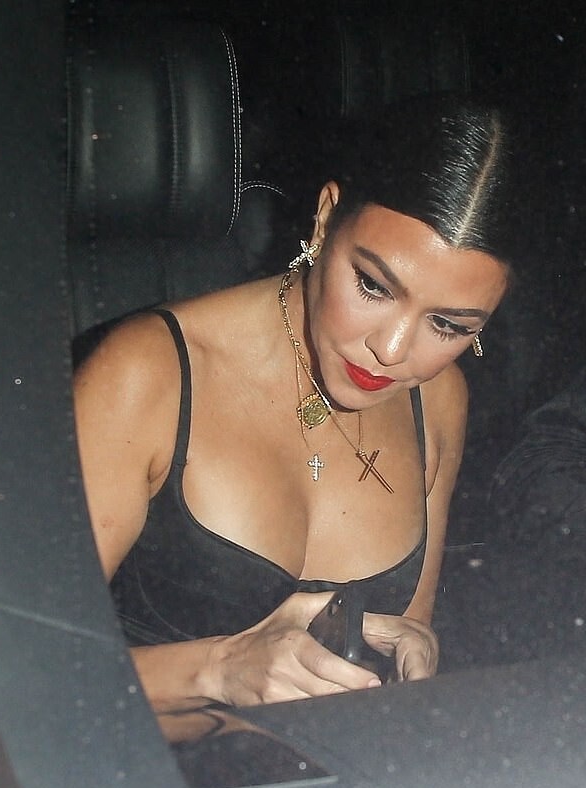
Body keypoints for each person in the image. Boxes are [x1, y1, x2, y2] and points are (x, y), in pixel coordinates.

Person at [73, 99, 513, 716]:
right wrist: (215, 671)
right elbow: (22, 661)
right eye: (373, 286)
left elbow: (410, 626)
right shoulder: (142, 375)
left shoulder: (439, 398)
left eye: (448, 325)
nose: (391, 351)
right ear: (326, 219)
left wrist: (417, 647)